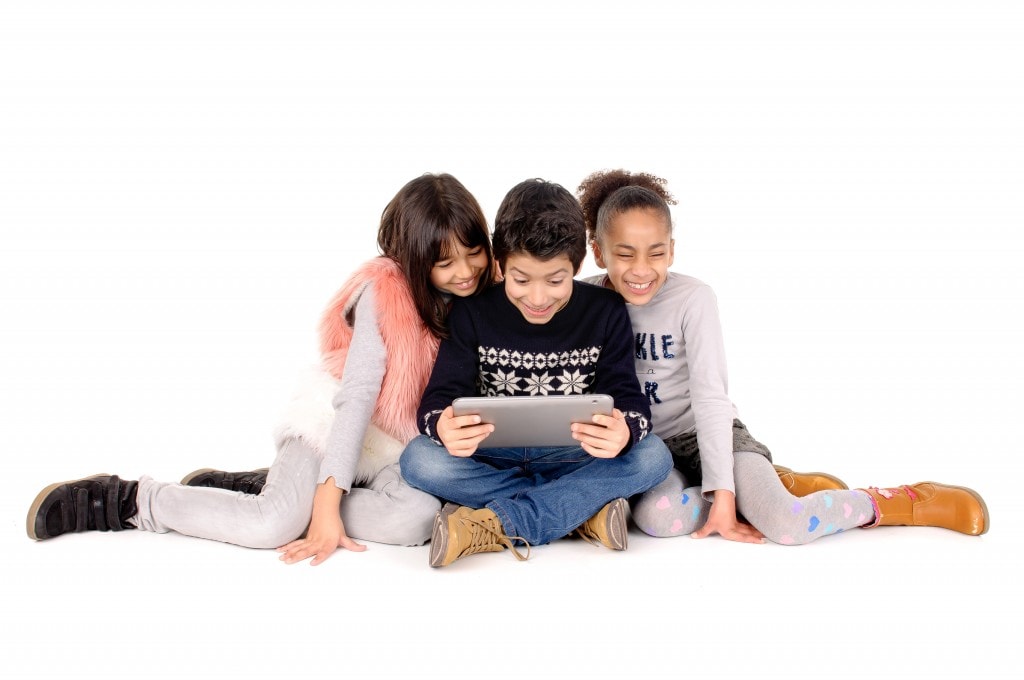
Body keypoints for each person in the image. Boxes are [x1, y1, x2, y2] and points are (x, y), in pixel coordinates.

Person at [26, 172, 497, 565]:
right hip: (335, 428)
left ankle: (271, 491)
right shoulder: (385, 291)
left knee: (415, 519)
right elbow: (356, 399)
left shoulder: (491, 292)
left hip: (397, 449)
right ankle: (129, 500)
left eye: (473, 252)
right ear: (414, 260)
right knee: (271, 525)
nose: (465, 270)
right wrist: (327, 507)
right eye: (444, 261)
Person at [576, 169, 989, 544]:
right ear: (598, 252)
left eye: (657, 252)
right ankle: (765, 487)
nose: (641, 269)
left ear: (673, 249)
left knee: (786, 525)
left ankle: (902, 501)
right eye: (625, 253)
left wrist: (723, 493)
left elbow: (710, 397)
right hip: (648, 449)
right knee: (657, 522)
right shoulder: (587, 301)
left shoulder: (693, 298)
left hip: (705, 434)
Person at [399, 178, 673, 568]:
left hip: (574, 452)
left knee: (653, 456)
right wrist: (440, 426)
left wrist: (626, 430)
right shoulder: (472, 310)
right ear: (500, 265)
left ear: (577, 266)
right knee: (419, 459)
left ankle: (500, 520)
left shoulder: (606, 309)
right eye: (521, 280)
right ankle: (578, 510)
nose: (538, 298)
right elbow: (437, 400)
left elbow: (629, 397)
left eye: (556, 281)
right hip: (493, 455)